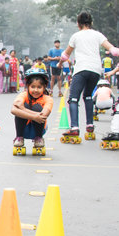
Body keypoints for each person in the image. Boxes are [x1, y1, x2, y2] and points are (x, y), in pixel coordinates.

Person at [57, 11, 119, 140]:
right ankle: (90, 125)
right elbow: (113, 50)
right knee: (88, 96)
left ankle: (74, 127)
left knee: (73, 98)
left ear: (78, 24)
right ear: (91, 23)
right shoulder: (98, 35)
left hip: (81, 69)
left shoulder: (76, 36)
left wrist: (60, 63)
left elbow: (65, 55)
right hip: (96, 70)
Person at [11, 68, 53, 150]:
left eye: (39, 87)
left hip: (38, 129)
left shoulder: (48, 99)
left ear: (44, 87)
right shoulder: (23, 95)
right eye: (33, 87)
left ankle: (39, 138)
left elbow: (43, 115)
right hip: (23, 129)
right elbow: (13, 110)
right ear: (28, 86)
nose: (36, 90)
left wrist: (22, 109)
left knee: (37, 107)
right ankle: (19, 137)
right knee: (25, 106)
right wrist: (34, 116)